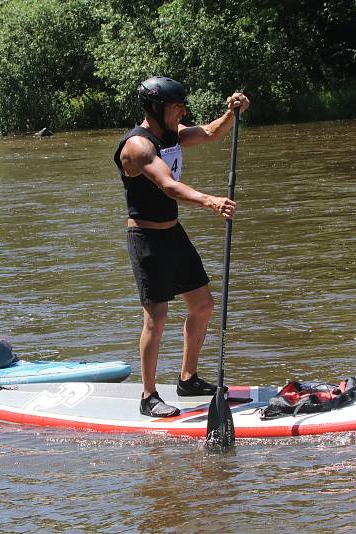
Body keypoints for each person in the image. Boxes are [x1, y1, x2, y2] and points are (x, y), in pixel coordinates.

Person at [113, 76, 250, 417]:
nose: (183, 112)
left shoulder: (171, 134)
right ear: (157, 108)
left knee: (202, 305)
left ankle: (188, 379)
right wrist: (211, 201)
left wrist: (231, 113)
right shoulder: (138, 146)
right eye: (177, 107)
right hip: (146, 239)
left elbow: (211, 132)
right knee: (156, 318)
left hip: (173, 233)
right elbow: (169, 186)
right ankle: (148, 396)